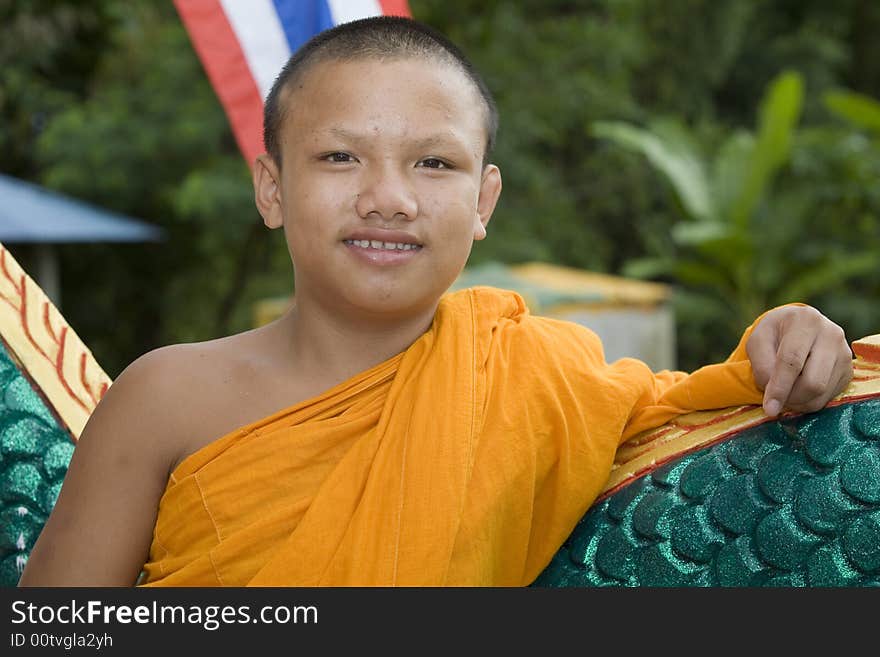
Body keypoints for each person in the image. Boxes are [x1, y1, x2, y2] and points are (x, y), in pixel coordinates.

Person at [18, 16, 854, 587]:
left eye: (435, 164)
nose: (388, 198)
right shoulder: (166, 396)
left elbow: (701, 407)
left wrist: (789, 339)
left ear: (485, 201)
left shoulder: (543, 378)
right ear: (270, 188)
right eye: (341, 158)